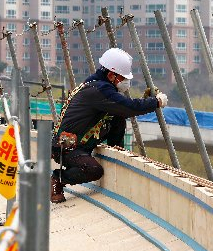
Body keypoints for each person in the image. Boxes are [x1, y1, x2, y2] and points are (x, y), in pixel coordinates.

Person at [50, 48, 168, 203]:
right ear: (111, 75)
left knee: (117, 115)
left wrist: (144, 102)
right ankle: (57, 179)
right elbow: (128, 107)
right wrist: (155, 102)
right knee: (93, 170)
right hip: (66, 146)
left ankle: (116, 150)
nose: (126, 82)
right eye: (123, 78)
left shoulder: (95, 85)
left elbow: (121, 107)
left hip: (78, 142)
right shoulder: (99, 90)